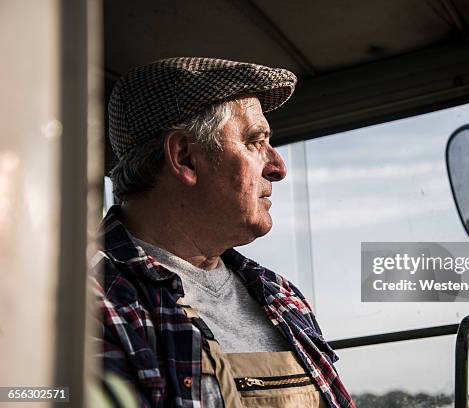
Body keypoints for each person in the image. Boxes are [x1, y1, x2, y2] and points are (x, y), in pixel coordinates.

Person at [92, 57, 355, 408]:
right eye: (255, 141)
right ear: (185, 157)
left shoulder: (278, 293)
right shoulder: (89, 302)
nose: (278, 167)